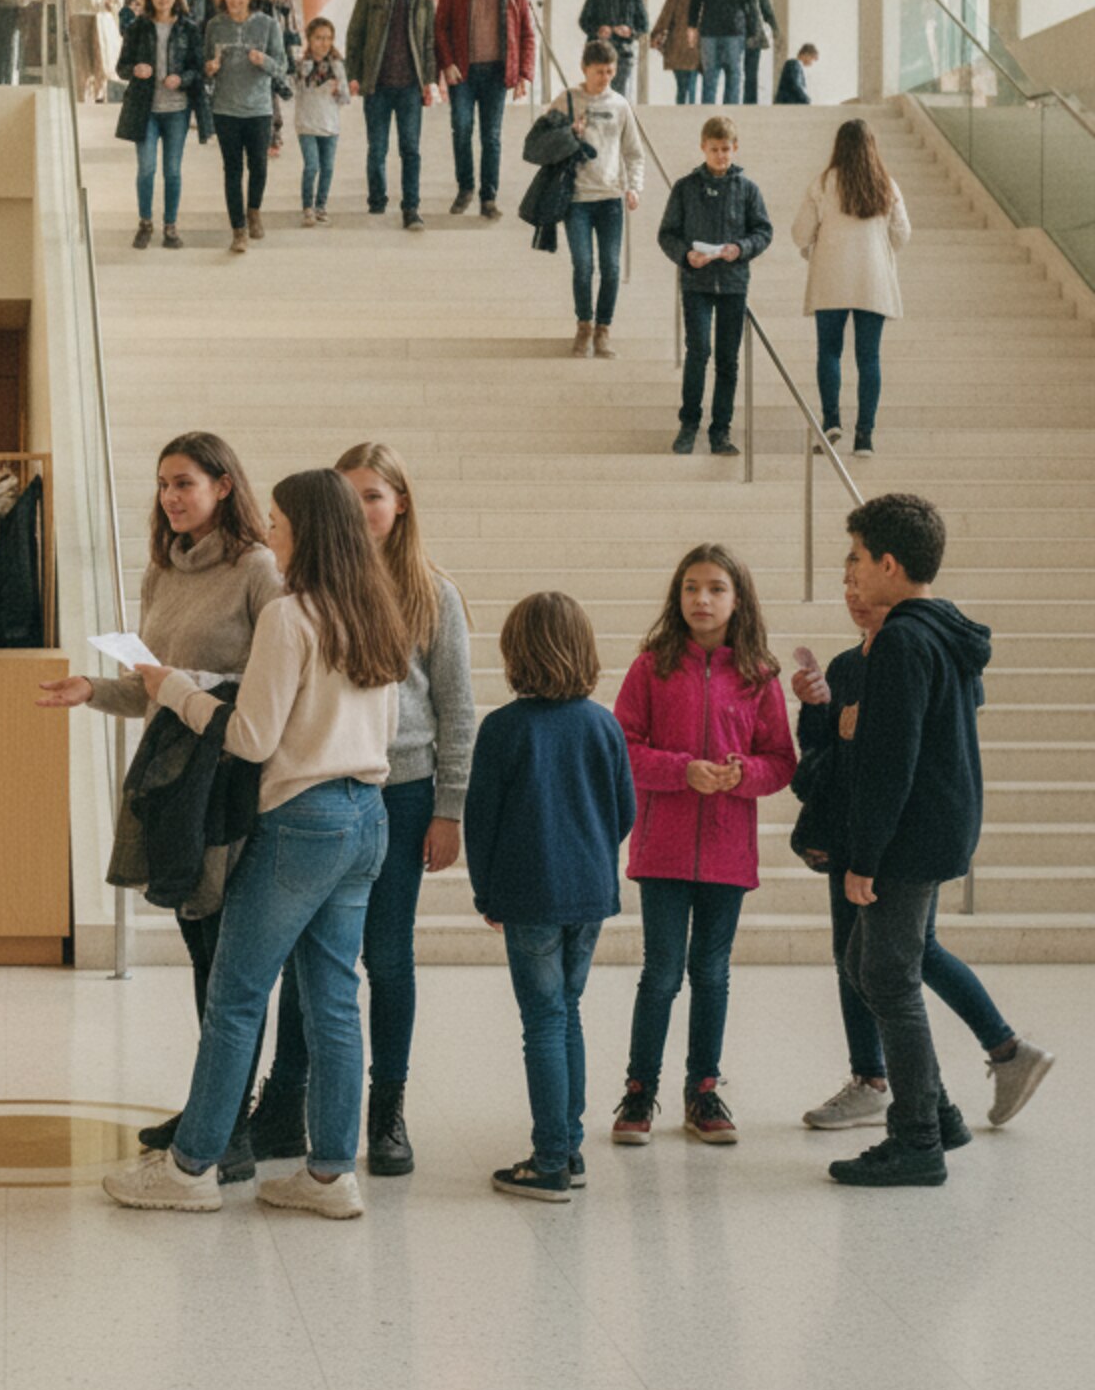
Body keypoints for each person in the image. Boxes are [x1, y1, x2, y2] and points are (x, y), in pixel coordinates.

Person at [101, 470, 407, 1220]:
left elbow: (249, 737)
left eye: (277, 522)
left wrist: (170, 687)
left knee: (236, 997)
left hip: (299, 820)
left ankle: (191, 1168)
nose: (269, 534)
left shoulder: (292, 616)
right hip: (367, 815)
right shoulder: (376, 611)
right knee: (335, 1001)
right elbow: (390, 731)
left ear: (306, 531)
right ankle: (331, 1174)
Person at [40, 432, 282, 1179]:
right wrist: (94, 690)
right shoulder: (162, 571)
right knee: (197, 947)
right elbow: (153, 685)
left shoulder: (258, 569)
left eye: (185, 483)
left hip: (231, 777)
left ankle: (231, 1122)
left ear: (222, 487)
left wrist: (187, 679)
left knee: (227, 959)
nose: (172, 497)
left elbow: (272, 677)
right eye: (163, 485)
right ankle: (213, 1104)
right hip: (174, 776)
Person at [248, 444, 474, 1177]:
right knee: (309, 954)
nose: (361, 509)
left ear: (401, 503)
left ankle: (388, 1110)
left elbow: (456, 710)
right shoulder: (314, 592)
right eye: (348, 497)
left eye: (374, 495)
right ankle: (286, 1104)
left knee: (387, 955)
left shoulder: (434, 595)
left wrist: (450, 808)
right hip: (323, 785)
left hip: (402, 791)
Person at [793, 586, 1056, 1137]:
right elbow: (826, 758)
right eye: (846, 584)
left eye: (861, 578)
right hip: (864, 828)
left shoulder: (913, 650)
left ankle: (891, 1087)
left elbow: (913, 747)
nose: (853, 594)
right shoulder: (848, 665)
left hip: (896, 837)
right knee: (886, 953)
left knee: (880, 960)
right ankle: (981, 1063)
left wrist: (864, 849)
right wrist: (818, 710)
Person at [828, 494, 995, 1188]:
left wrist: (865, 858)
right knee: (866, 960)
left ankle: (918, 1139)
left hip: (909, 835)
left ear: (890, 565)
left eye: (858, 561)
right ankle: (941, 1112)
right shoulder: (947, 629)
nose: (854, 575)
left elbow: (891, 759)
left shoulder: (901, 638)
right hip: (943, 824)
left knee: (888, 977)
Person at [609, 546, 794, 1148]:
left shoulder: (760, 676)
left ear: (737, 599)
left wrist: (746, 776)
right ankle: (639, 1091)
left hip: (726, 852)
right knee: (660, 973)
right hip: (662, 849)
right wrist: (682, 770)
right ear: (677, 596)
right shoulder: (650, 668)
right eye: (691, 588)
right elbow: (624, 749)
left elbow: (780, 762)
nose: (702, 600)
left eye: (716, 588)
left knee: (711, 973)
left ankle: (703, 1090)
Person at [465, 592, 634, 1202]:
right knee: (567, 1013)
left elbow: (479, 821)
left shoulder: (504, 729)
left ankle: (549, 1161)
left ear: (516, 654)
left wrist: (487, 890)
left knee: (543, 1020)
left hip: (528, 892)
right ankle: (570, 1147)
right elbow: (624, 812)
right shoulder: (603, 723)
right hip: (589, 893)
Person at [792, 117, 912, 459]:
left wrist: (814, 243)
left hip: (831, 277)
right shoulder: (886, 184)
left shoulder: (824, 183)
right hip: (872, 282)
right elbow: (902, 234)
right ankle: (865, 437)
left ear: (839, 146)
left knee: (829, 351)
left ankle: (831, 420)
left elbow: (800, 232)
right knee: (868, 357)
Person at [658, 115, 773, 456]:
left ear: (735, 148)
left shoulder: (748, 189)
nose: (721, 155)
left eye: (726, 149)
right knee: (698, 353)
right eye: (714, 149)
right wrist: (686, 254)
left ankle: (720, 431)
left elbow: (763, 231)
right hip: (697, 282)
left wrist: (741, 249)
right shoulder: (685, 187)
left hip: (734, 283)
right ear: (703, 148)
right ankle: (688, 424)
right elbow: (667, 233)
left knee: (728, 359)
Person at [436, 0, 537, 219]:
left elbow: (527, 33)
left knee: (491, 136)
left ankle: (488, 196)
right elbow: (440, 28)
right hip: (462, 72)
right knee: (462, 129)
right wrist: (447, 63)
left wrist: (525, 75)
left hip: (496, 72)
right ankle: (465, 187)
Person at [344, 0, 441, 228]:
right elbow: (355, 34)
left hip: (410, 86)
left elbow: (428, 42)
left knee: (410, 149)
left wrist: (429, 80)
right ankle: (377, 203)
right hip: (378, 85)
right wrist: (354, 75)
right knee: (377, 148)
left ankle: (411, 208)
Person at [561, 40, 646, 359]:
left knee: (611, 268)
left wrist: (634, 186)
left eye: (611, 72)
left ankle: (603, 329)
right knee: (583, 265)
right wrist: (569, 133)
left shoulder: (620, 105)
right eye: (600, 72)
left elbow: (634, 153)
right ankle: (584, 324)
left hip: (611, 197)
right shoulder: (567, 100)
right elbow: (540, 142)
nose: (605, 78)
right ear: (585, 69)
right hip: (577, 199)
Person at [203, 0, 288, 254]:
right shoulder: (215, 25)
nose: (234, 0)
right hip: (225, 109)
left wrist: (263, 60)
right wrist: (210, 69)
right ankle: (238, 230)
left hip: (259, 109)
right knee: (232, 170)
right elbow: (205, 65)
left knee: (259, 166)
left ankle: (254, 211)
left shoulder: (267, 25)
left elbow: (282, 67)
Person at [115, 0, 201, 249]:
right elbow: (121, 67)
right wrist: (135, 69)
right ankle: (145, 222)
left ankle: (170, 226)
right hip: (146, 109)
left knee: (172, 170)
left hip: (176, 110)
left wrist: (183, 79)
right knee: (146, 168)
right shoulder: (138, 27)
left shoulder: (188, 27)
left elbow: (197, 69)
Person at [292, 16, 349, 227]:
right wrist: (302, 70)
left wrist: (338, 90)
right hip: (307, 124)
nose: (323, 43)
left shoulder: (337, 65)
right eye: (318, 38)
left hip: (330, 125)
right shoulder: (301, 64)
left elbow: (345, 98)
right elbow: (294, 89)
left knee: (328, 167)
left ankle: (321, 205)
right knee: (311, 165)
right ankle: (307, 206)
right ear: (309, 39)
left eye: (328, 38)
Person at [578, 0, 650, 100]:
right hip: (599, 50)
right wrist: (598, 30)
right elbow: (584, 20)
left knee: (619, 94)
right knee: (597, 92)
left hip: (623, 52)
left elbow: (644, 25)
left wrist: (630, 32)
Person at [651, 0, 705, 104]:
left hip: (696, 43)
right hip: (678, 43)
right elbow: (667, 12)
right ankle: (682, 114)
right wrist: (657, 33)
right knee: (682, 86)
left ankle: (692, 115)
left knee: (692, 84)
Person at [736, 0, 778, 106]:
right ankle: (748, 105)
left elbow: (767, 11)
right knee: (748, 73)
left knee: (745, 73)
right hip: (749, 35)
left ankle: (745, 105)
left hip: (747, 36)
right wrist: (775, 29)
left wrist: (774, 29)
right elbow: (768, 12)